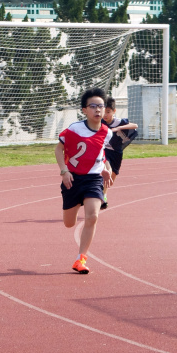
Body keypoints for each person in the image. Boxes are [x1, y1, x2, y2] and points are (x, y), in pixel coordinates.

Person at [55, 87, 113, 274]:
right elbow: (58, 149)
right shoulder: (74, 129)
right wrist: (64, 171)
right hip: (72, 179)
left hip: (93, 179)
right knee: (69, 223)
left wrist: (105, 169)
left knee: (93, 216)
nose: (98, 110)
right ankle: (78, 201)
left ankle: (81, 259)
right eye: (93, 106)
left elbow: (100, 154)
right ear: (84, 110)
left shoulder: (107, 132)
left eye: (101, 106)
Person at [100, 96, 138, 209]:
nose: (105, 115)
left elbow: (135, 126)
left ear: (114, 111)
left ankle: (103, 192)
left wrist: (118, 128)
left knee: (111, 180)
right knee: (106, 171)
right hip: (104, 151)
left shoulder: (119, 122)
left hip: (117, 153)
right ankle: (102, 197)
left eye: (108, 112)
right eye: (104, 112)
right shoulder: (100, 122)